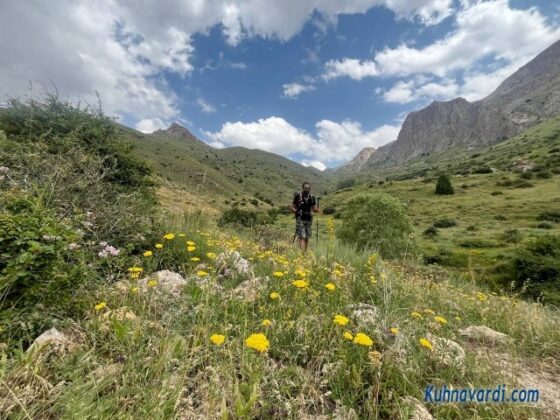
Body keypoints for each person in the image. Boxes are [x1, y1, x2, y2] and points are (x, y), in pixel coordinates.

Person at [291, 182, 319, 253]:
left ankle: (304, 253)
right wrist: (296, 211)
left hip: (309, 219)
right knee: (302, 237)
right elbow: (292, 206)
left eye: (308, 188)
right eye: (305, 188)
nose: (307, 189)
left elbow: (313, 209)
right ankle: (302, 254)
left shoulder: (312, 197)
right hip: (300, 219)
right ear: (303, 188)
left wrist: (316, 210)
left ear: (310, 189)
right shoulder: (298, 196)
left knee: (307, 237)